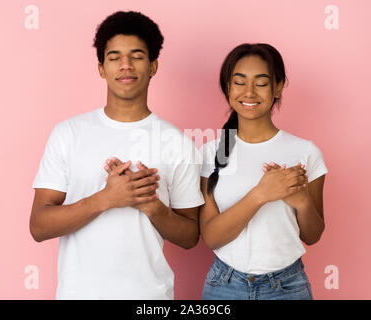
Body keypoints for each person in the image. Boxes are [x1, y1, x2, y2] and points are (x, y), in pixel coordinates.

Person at [30, 11, 204, 300]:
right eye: (114, 57)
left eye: (137, 56)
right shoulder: (68, 133)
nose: (126, 65)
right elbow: (39, 226)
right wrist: (106, 198)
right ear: (101, 68)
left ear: (153, 66)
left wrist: (151, 205)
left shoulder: (177, 142)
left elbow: (189, 236)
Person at [199, 43, 328, 300]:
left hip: (288, 287)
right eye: (239, 82)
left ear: (278, 86)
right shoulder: (210, 153)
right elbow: (211, 237)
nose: (249, 92)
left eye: (261, 82)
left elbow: (313, 235)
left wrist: (301, 202)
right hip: (224, 285)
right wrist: (261, 194)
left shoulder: (306, 151)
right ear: (228, 87)